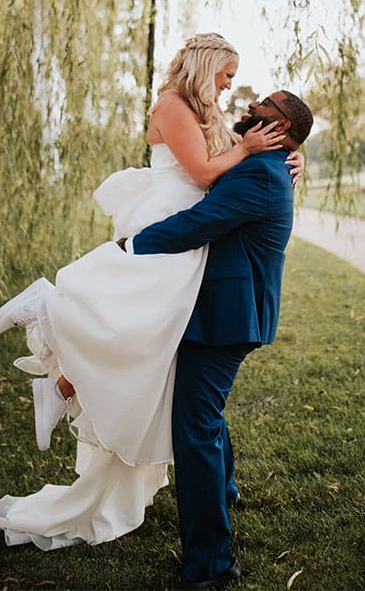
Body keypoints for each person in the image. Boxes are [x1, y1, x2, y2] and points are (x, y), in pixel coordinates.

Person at [0, 33, 304, 551]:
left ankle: (64, 386)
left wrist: (290, 159)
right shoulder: (180, 108)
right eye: (227, 76)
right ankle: (48, 308)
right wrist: (251, 149)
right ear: (206, 66)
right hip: (172, 219)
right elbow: (207, 174)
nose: (236, 91)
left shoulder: (248, 151)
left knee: (144, 344)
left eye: (256, 100)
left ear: (280, 127)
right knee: (131, 322)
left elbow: (229, 178)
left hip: (195, 247)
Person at [118, 90, 313, 589]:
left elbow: (199, 224)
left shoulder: (259, 176)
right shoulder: (261, 163)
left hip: (225, 318)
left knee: (195, 425)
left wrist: (132, 245)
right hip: (222, 312)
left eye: (265, 109)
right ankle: (224, 490)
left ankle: (212, 563)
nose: (253, 108)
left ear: (283, 130)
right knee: (204, 413)